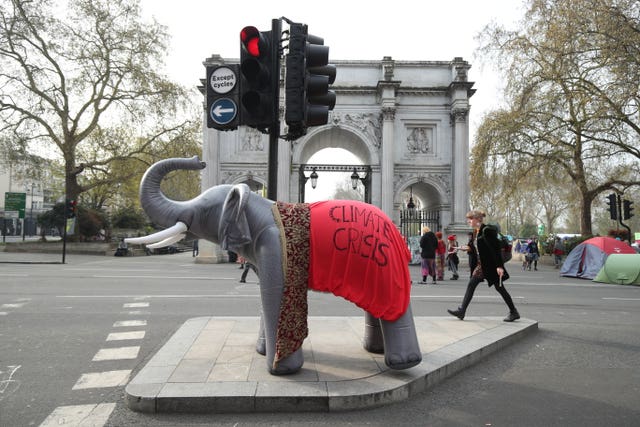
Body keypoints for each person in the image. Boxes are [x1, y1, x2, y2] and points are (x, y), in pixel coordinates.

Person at [447, 210, 520, 322]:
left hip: (490, 265)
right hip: (482, 265)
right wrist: (467, 248)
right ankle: (462, 311)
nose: (468, 221)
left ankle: (513, 312)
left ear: (478, 219)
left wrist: (499, 266)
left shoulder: (487, 230)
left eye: (470, 219)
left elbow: (495, 249)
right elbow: (478, 248)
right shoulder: (476, 231)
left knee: (500, 288)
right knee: (472, 284)